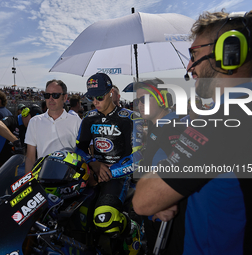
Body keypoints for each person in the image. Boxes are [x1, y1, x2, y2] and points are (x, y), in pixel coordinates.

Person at [133, 10, 252, 254]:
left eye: (194, 54)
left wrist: (160, 194)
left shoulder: (223, 123)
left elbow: (143, 201)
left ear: (228, 52)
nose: (189, 67)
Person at [76, 73, 143, 254]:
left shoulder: (130, 118)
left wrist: (109, 172)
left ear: (111, 92)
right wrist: (94, 164)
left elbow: (138, 158)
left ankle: (132, 229)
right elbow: (79, 149)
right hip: (94, 174)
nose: (95, 102)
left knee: (105, 219)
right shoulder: (88, 118)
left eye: (100, 97)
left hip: (119, 175)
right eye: (91, 97)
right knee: (79, 219)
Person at [135, 78, 184, 253]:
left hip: (167, 216)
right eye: (137, 100)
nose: (139, 104)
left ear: (162, 99)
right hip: (155, 209)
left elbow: (184, 169)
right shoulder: (157, 126)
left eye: (144, 99)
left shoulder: (172, 127)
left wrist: (170, 201)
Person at [25, 80, 81, 173]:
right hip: (42, 178)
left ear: (65, 97)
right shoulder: (34, 121)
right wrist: (28, 182)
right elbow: (30, 157)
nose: (51, 99)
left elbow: (83, 154)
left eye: (55, 95)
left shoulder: (76, 122)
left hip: (68, 179)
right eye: (47, 95)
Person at [0, 104, 42, 175]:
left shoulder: (29, 129)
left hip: (12, 167)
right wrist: (15, 141)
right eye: (33, 120)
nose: (34, 123)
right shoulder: (13, 120)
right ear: (25, 113)